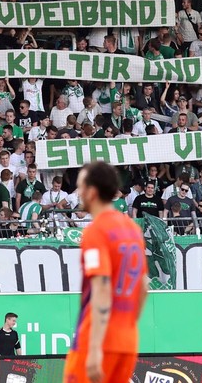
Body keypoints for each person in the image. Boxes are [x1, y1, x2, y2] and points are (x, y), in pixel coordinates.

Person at [63, 161, 148, 383]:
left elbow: (101, 289)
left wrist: (93, 349)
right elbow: (143, 287)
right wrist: (125, 326)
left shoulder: (96, 232)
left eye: (80, 187)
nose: (78, 193)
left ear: (91, 192)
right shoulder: (133, 230)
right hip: (127, 341)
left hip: (99, 339)